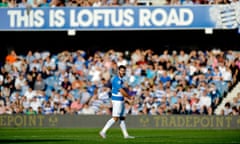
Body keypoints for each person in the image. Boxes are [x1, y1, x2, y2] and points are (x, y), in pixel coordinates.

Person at [99, 65, 135, 139]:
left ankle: (126, 135)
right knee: (115, 118)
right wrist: (129, 97)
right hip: (117, 100)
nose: (123, 72)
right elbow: (121, 91)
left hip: (121, 100)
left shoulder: (121, 79)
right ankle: (103, 131)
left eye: (124, 71)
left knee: (122, 118)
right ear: (118, 71)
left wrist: (127, 99)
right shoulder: (116, 79)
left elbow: (121, 92)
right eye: (121, 70)